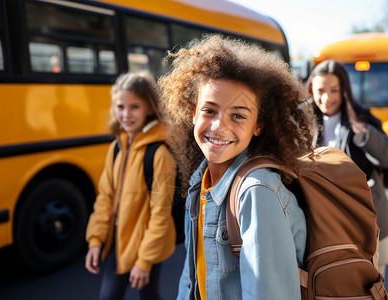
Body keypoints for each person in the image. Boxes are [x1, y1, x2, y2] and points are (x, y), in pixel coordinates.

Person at [158, 34, 316, 299]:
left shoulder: (257, 193)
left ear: (259, 125)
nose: (219, 126)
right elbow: (192, 279)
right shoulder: (202, 182)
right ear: (192, 112)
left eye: (238, 115)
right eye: (209, 110)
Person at [305, 59, 388, 275]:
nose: (326, 98)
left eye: (334, 90)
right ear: (312, 89)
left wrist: (365, 134)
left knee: (372, 285)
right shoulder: (304, 121)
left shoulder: (361, 118)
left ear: (345, 91)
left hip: (365, 217)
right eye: (320, 90)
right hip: (325, 222)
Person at [85, 71, 176, 300]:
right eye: (120, 107)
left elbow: (161, 214)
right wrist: (96, 239)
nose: (126, 115)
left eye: (134, 107)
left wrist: (144, 261)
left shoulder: (159, 154)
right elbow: (105, 197)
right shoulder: (116, 148)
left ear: (149, 108)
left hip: (148, 244)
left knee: (147, 294)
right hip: (120, 242)